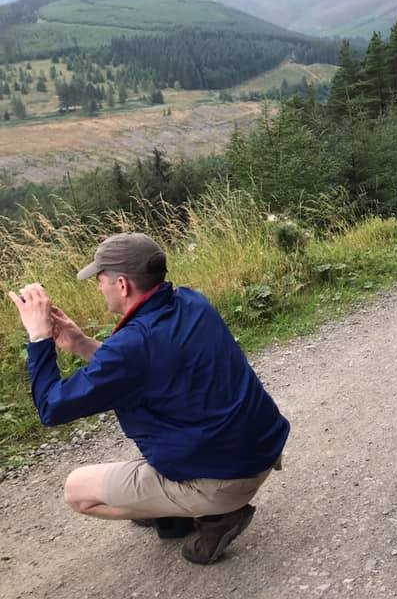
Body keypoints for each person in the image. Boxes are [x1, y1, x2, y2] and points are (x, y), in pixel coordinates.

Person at [6, 233, 289, 565]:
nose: (98, 287)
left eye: (100, 279)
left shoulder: (132, 346)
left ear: (122, 285)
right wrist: (81, 343)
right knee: (152, 426)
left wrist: (39, 338)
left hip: (225, 478)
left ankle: (217, 517)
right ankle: (173, 510)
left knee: (77, 492)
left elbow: (52, 407)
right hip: (261, 449)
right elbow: (145, 367)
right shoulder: (190, 302)